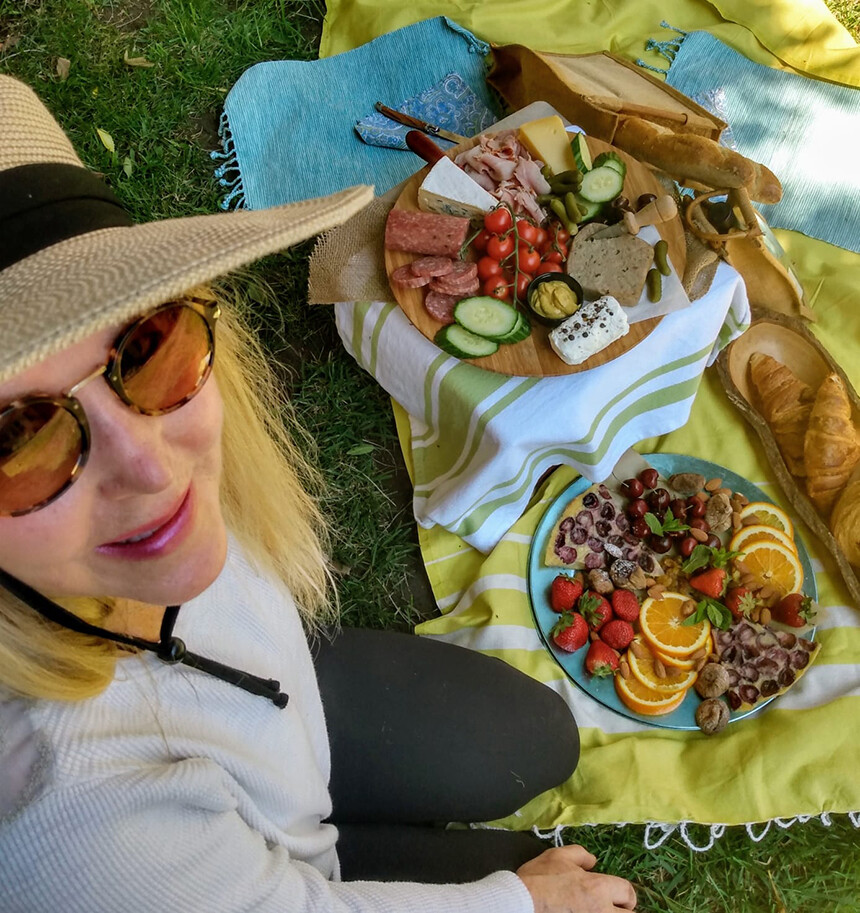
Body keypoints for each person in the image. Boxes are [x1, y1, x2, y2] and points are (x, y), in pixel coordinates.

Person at [0, 74, 637, 913]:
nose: (155, 470)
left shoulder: (139, 488)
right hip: (252, 862)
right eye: (20, 438)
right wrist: (517, 902)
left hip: (269, 709)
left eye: (146, 344)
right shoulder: (83, 824)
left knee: (539, 738)